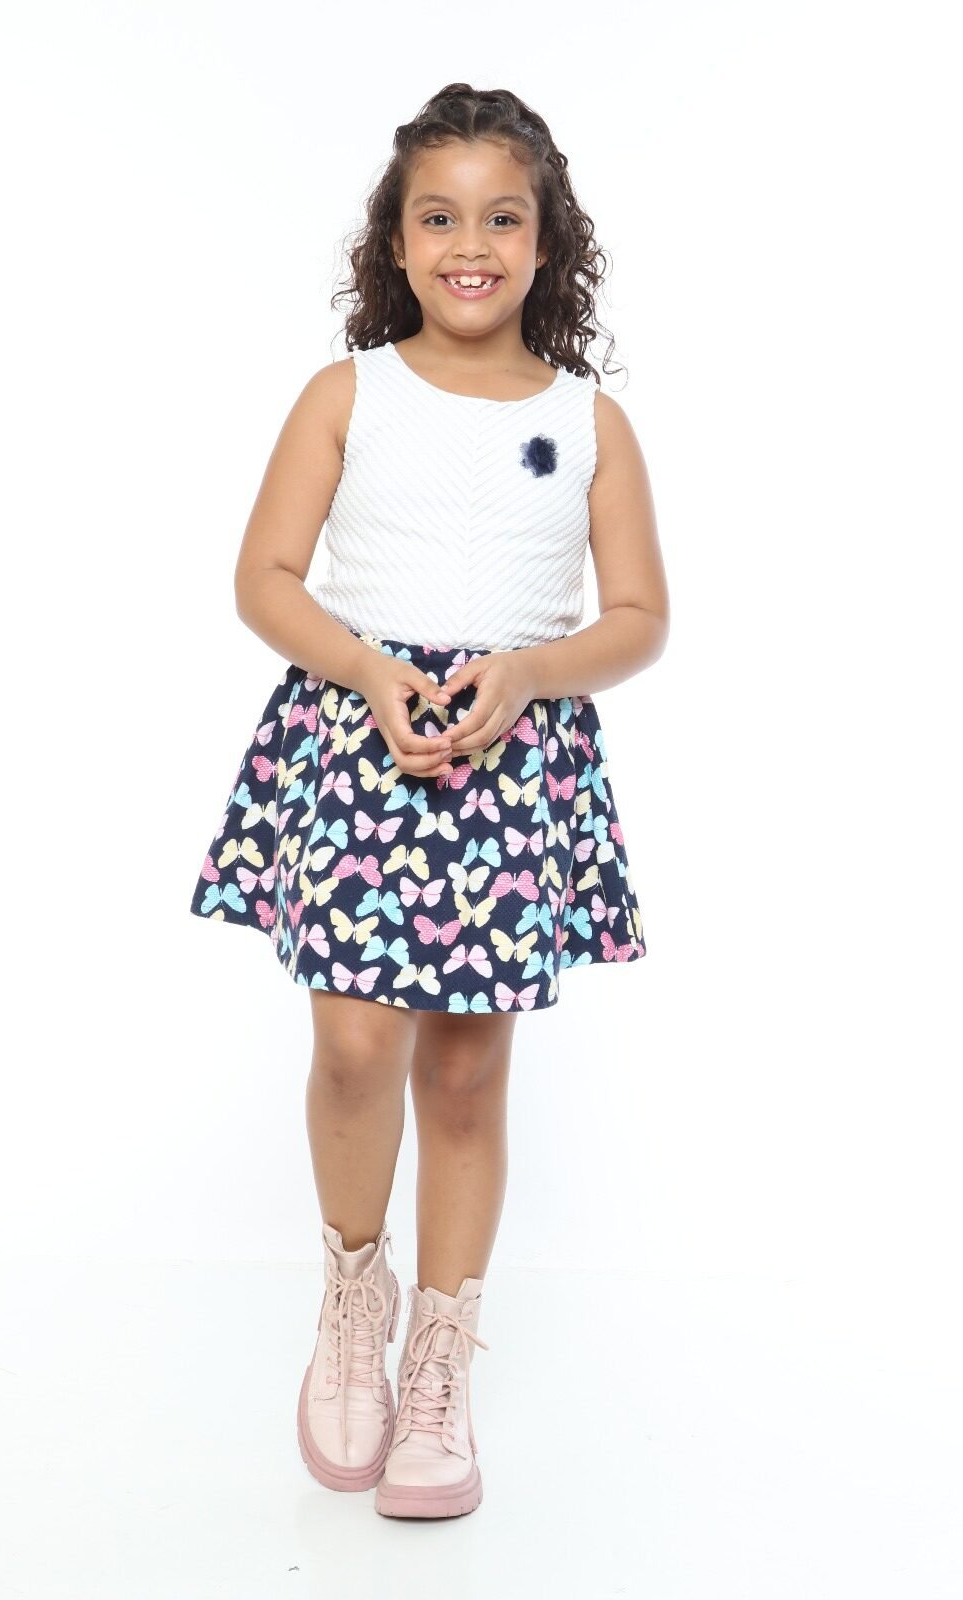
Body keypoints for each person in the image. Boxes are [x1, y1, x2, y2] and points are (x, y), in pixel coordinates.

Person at [188, 82, 669, 1520]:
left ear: (546, 240)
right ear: (393, 243)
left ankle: (441, 1353)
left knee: (463, 1071)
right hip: (360, 738)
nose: (471, 246)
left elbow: (638, 617)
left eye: (501, 219)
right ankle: (355, 1298)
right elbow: (265, 579)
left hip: (513, 759)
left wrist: (530, 675)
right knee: (353, 1045)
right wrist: (366, 671)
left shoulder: (587, 421)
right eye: (439, 219)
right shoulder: (347, 395)